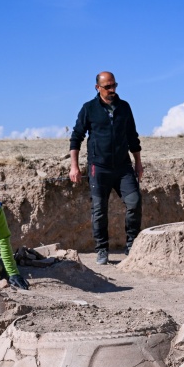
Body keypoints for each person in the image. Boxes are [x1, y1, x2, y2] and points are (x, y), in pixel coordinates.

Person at [69, 71, 143, 265]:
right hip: (98, 167)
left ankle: (132, 245)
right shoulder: (89, 108)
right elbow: (76, 137)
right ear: (97, 88)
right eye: (107, 87)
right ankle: (102, 249)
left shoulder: (124, 107)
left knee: (134, 202)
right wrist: (74, 167)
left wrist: (138, 163)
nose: (112, 90)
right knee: (99, 210)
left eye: (114, 85)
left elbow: (133, 137)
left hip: (123, 167)